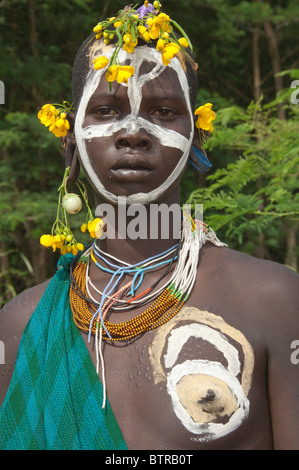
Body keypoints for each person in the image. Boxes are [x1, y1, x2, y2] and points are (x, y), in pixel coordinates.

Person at [0, 2, 299, 451]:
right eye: (105, 110)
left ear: (196, 139)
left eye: (163, 112)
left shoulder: (273, 300)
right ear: (70, 144)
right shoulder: (21, 324)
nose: (134, 131)